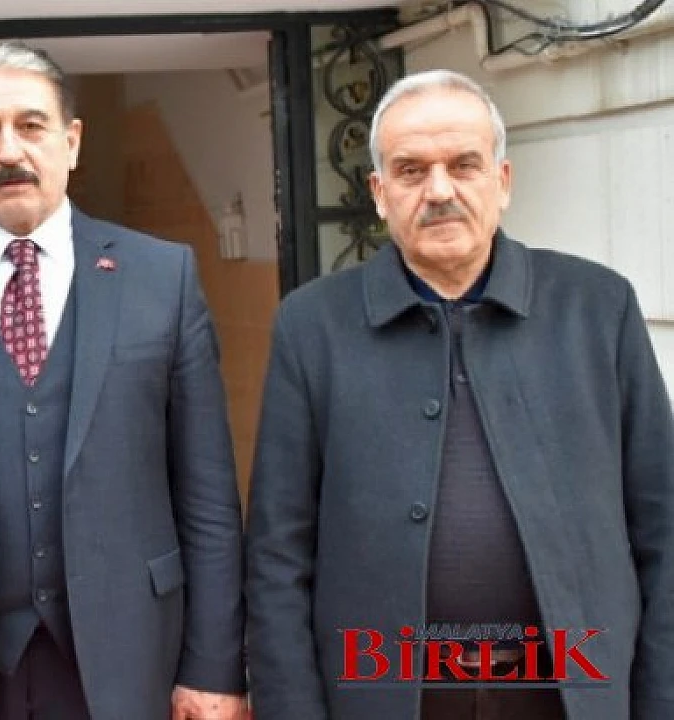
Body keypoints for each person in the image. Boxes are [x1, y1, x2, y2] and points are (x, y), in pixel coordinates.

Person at [245, 69, 674, 719]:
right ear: (379, 193)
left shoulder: (597, 308)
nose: (439, 190)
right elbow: (277, 553)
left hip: (570, 690)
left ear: (502, 180)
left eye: (464, 165)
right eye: (411, 171)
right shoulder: (313, 327)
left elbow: (662, 529)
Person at [0, 40, 247, 720]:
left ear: (72, 140)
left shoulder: (162, 278)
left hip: (127, 659)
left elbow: (208, 498)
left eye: (31, 125)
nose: (9, 151)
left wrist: (214, 669)